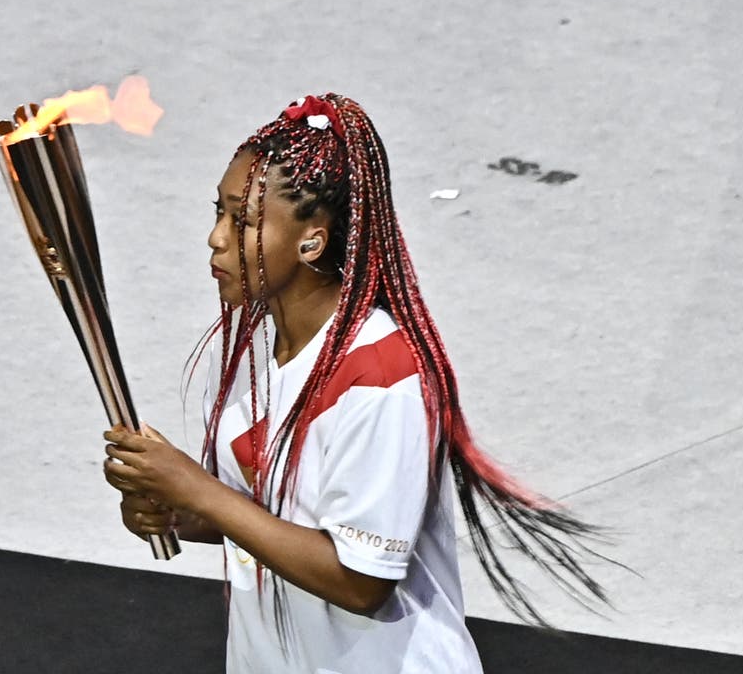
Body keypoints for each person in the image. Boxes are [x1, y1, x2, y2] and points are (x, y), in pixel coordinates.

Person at [102, 93, 608, 672]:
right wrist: (174, 510)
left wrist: (197, 489)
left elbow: (362, 580)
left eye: (242, 219)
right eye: (218, 212)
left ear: (311, 240)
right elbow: (272, 518)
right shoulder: (269, 362)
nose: (216, 238)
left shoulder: (381, 378)